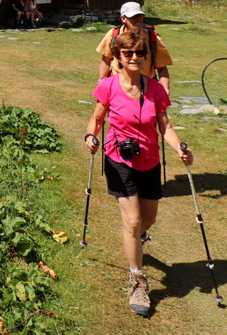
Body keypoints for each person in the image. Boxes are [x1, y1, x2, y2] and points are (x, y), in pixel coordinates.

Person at [85, 28, 192, 317]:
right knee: (132, 221)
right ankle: (137, 279)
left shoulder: (155, 88)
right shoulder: (108, 86)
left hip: (150, 161)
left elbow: (165, 127)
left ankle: (136, 238)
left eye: (140, 53)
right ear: (118, 57)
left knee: (148, 219)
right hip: (119, 160)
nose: (135, 57)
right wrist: (90, 137)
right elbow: (96, 119)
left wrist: (180, 148)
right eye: (128, 53)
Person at [97, 1, 173, 94]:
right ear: (123, 18)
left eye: (140, 16)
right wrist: (102, 79)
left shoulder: (152, 37)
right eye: (133, 17)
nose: (138, 20)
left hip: (146, 86)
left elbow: (161, 67)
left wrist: (166, 89)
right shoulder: (113, 35)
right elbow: (105, 61)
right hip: (118, 85)